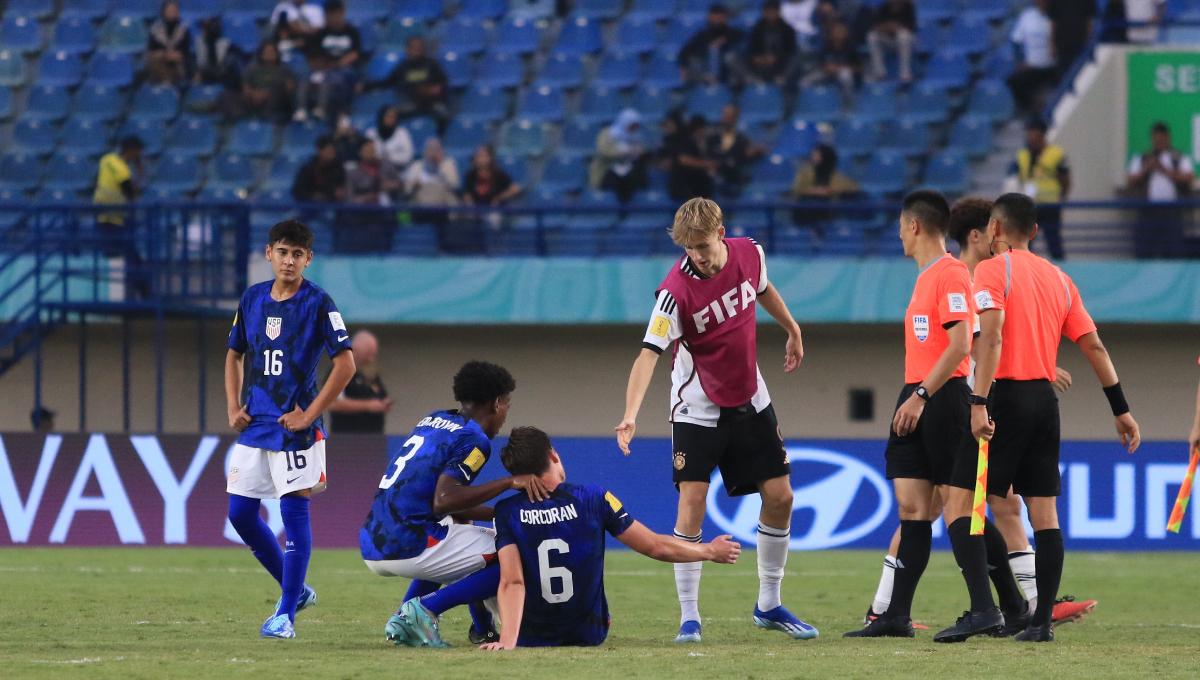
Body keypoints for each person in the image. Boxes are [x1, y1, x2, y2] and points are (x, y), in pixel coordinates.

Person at [858, 197, 1097, 632]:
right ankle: (1013, 603)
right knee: (943, 508)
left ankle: (1016, 603)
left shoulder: (963, 276)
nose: (997, 241)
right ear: (977, 235)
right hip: (951, 395)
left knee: (972, 506)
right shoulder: (956, 276)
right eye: (991, 232)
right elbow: (981, 335)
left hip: (960, 397)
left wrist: (1029, 364)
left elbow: (977, 339)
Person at [615, 197, 818, 644]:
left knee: (781, 496)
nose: (698, 257)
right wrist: (630, 414)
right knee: (692, 501)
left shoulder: (750, 253)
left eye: (703, 246)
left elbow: (763, 288)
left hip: (750, 397)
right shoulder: (674, 292)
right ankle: (690, 616)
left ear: (721, 232)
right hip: (697, 407)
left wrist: (792, 328)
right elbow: (649, 354)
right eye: (689, 249)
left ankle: (769, 604)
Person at [843, 191, 1026, 641]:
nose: (899, 234)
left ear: (914, 226)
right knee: (913, 508)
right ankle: (895, 615)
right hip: (917, 393)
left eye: (901, 226)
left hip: (939, 398)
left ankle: (989, 609)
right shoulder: (926, 277)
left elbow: (962, 345)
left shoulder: (950, 274)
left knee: (961, 510)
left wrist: (923, 395)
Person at [971, 192, 1141, 642]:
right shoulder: (1061, 280)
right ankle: (1041, 621)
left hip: (1005, 397)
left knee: (966, 503)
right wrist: (1120, 410)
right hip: (1046, 402)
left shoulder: (991, 270)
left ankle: (1005, 605)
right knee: (1044, 513)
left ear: (995, 229)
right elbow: (1094, 347)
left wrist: (977, 401)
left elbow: (990, 340)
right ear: (1036, 232)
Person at [478, 426, 741, 650]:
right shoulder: (593, 497)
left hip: (530, 637)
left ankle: (469, 621)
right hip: (589, 634)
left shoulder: (507, 511)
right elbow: (655, 546)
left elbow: (512, 581)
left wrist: (508, 641)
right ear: (552, 454)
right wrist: (709, 551)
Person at [224, 219, 357, 639]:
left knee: (293, 513)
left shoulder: (319, 303)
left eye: (297, 254)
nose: (289, 260)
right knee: (240, 513)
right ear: (269, 254)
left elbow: (346, 364)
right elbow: (233, 354)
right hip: (257, 423)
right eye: (282, 251)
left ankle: (285, 616)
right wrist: (232, 404)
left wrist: (309, 413)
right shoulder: (252, 299)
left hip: (295, 428)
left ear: (308, 259)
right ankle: (295, 590)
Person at [360, 361, 549, 648]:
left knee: (465, 536)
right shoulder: (475, 439)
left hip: (373, 538)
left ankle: (426, 620)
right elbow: (444, 500)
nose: (506, 413)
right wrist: (509, 483)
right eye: (507, 404)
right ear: (497, 403)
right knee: (509, 552)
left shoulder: (434, 420)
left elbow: (446, 505)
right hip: (407, 540)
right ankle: (422, 611)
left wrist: (501, 513)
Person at [1126, 121, 1195, 258]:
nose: (1159, 142)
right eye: (1156, 139)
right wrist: (1147, 169)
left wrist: (1164, 170)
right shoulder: (1143, 158)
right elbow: (1130, 180)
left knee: (1173, 252)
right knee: (1145, 252)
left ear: (1168, 138)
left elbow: (1188, 178)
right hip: (1148, 211)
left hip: (1172, 212)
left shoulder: (1178, 157)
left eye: (1162, 139)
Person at [94, 136, 146, 300]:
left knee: (121, 256)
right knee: (129, 257)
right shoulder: (122, 169)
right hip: (116, 220)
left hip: (102, 215)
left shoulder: (106, 159)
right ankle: (144, 293)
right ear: (131, 151)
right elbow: (131, 193)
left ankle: (135, 292)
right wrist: (139, 172)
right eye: (138, 152)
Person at [1009, 117, 1069, 259]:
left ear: (1042, 134)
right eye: (1028, 132)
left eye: (1032, 132)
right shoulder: (1022, 155)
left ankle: (1059, 273)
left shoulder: (1056, 154)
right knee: (1025, 243)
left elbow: (1065, 179)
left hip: (1050, 205)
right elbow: (1018, 177)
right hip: (1029, 206)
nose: (1029, 136)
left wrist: (1062, 196)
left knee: (1054, 242)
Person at [297, 0, 361, 122]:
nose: (333, 18)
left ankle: (337, 112)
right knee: (307, 75)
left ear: (342, 13)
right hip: (325, 68)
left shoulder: (352, 32)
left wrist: (337, 63)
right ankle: (302, 110)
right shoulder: (321, 33)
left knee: (337, 78)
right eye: (330, 14)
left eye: (336, 14)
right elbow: (314, 56)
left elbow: (355, 53)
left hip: (345, 69)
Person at [327, 330, 391, 433]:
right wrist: (368, 406)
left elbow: (381, 394)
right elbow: (333, 403)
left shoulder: (371, 374)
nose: (371, 359)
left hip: (374, 437)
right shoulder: (340, 370)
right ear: (356, 350)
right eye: (368, 354)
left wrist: (383, 403)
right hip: (346, 438)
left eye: (373, 355)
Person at [383, 36, 450, 132]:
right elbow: (388, 82)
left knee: (444, 113)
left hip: (432, 102)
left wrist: (436, 89)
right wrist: (366, 86)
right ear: (407, 49)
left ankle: (438, 140)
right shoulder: (403, 67)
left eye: (419, 48)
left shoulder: (432, 64)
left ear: (424, 49)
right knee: (392, 114)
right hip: (412, 102)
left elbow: (444, 84)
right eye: (413, 48)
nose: (416, 51)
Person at [1006, 0, 1058, 113]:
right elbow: (1016, 40)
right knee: (1014, 82)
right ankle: (1031, 111)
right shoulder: (1027, 17)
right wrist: (1020, 62)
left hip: (1055, 65)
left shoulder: (1059, 15)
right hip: (1033, 66)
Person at [589, 109, 648, 203]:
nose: (633, 129)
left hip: (629, 172)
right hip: (607, 171)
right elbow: (604, 151)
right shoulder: (607, 134)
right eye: (631, 126)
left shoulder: (637, 137)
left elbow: (642, 152)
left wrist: (639, 151)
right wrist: (625, 152)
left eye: (635, 126)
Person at [707, 104, 766, 197]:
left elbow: (746, 154)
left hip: (734, 178)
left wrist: (756, 151)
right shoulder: (712, 137)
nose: (726, 118)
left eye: (730, 116)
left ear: (736, 118)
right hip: (715, 178)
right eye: (725, 115)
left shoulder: (741, 139)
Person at [677, 4, 743, 86]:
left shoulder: (733, 34)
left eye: (720, 18)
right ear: (709, 18)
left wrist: (723, 40)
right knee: (695, 61)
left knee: (728, 56)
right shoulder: (702, 35)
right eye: (714, 18)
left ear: (725, 18)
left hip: (726, 72)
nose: (717, 21)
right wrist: (683, 66)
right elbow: (684, 52)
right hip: (704, 69)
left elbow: (742, 37)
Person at [230, 41, 295, 123]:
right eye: (267, 52)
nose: (270, 54)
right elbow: (245, 86)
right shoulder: (252, 68)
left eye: (272, 51)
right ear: (261, 53)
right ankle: (241, 119)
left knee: (277, 90)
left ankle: (267, 119)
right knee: (227, 95)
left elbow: (290, 87)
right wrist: (254, 94)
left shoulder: (284, 68)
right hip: (254, 98)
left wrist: (266, 93)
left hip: (276, 100)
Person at [664, 114, 717, 201]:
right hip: (683, 186)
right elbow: (683, 159)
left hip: (698, 188)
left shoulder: (706, 143)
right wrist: (706, 164)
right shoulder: (685, 140)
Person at [801, 21, 861, 96]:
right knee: (804, 81)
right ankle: (805, 105)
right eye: (836, 31)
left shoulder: (851, 48)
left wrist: (840, 68)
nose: (839, 33)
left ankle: (848, 105)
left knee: (845, 75)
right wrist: (827, 67)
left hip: (843, 73)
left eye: (841, 31)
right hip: (827, 73)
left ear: (846, 33)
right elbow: (820, 62)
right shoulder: (827, 46)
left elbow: (859, 68)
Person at [745, 1, 799, 86]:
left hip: (780, 64)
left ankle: (781, 79)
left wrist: (776, 57)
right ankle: (753, 80)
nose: (770, 14)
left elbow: (791, 50)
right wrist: (757, 57)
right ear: (763, 12)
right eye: (767, 11)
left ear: (778, 12)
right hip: (761, 63)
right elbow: (751, 48)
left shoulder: (787, 29)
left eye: (772, 11)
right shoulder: (757, 28)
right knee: (733, 57)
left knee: (795, 59)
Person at [145, 0, 193, 86]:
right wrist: (165, 55)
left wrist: (175, 56)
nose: (171, 12)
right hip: (159, 64)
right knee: (155, 62)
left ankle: (169, 84)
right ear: (163, 11)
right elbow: (151, 52)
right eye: (169, 10)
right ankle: (166, 84)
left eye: (174, 10)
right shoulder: (155, 29)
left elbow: (186, 52)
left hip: (179, 65)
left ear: (178, 12)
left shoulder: (184, 29)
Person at [403, 138, 460, 209]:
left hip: (443, 201)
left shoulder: (448, 164)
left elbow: (455, 185)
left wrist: (439, 166)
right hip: (421, 200)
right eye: (430, 150)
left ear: (442, 152)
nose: (434, 153)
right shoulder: (417, 165)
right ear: (424, 152)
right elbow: (407, 189)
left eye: (437, 150)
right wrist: (415, 184)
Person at [866, 0, 915, 82]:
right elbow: (874, 27)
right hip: (888, 38)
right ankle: (879, 72)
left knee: (903, 35)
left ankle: (905, 73)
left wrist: (897, 27)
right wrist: (888, 27)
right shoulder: (883, 8)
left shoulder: (908, 7)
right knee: (872, 36)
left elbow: (912, 28)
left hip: (906, 40)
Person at [1046, 0, 1096, 76]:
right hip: (1062, 43)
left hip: (1080, 42)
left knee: (1081, 74)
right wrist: (1052, 44)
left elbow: (1089, 22)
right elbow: (1054, 23)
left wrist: (1089, 42)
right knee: (1064, 74)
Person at [292, 135, 346, 203]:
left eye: (334, 151)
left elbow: (338, 189)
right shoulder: (308, 168)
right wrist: (313, 196)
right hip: (309, 206)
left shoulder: (338, 167)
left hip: (331, 205)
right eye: (330, 150)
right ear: (319, 151)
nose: (333, 153)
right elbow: (297, 191)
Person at [192, 16, 240, 88]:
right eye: (206, 28)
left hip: (222, 73)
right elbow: (198, 62)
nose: (208, 30)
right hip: (204, 72)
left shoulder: (226, 43)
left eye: (210, 27)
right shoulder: (198, 41)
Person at [365, 106, 415, 173]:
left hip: (400, 172)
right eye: (388, 116)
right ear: (382, 117)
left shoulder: (402, 133)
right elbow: (367, 155)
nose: (391, 119)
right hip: (375, 172)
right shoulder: (371, 133)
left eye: (393, 117)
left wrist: (386, 159)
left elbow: (408, 156)